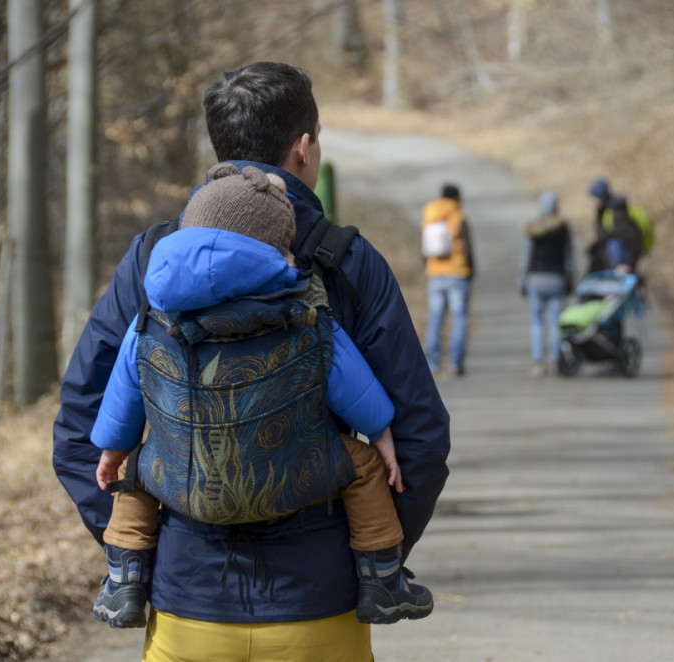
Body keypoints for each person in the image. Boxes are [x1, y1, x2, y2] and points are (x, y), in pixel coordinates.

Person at [53, 61, 450, 662]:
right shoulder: (346, 261)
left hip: (187, 606)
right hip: (320, 608)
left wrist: (143, 552)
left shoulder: (153, 260)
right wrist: (366, 555)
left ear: (220, 147)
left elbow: (82, 426)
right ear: (304, 146)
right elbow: (419, 433)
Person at [88, 162, 432, 630]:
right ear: (276, 247)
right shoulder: (304, 312)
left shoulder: (151, 319)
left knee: (135, 476)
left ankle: (123, 580)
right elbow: (351, 384)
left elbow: (124, 391)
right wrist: (382, 433)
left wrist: (113, 450)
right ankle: (383, 580)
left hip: (186, 477)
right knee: (364, 467)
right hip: (294, 472)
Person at [420, 183, 474, 377]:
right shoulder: (458, 216)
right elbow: (467, 247)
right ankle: (455, 362)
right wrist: (470, 271)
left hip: (435, 274)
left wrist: (428, 268)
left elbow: (423, 246)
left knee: (435, 319)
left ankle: (432, 362)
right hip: (458, 273)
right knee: (459, 318)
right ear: (457, 198)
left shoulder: (429, 215)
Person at [518, 191, 573, 378]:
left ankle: (538, 362)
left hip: (535, 280)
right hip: (557, 281)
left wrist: (522, 279)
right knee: (555, 322)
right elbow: (568, 257)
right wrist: (569, 279)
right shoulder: (564, 228)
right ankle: (555, 361)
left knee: (536, 322)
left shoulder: (533, 228)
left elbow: (526, 257)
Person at [587, 177, 642, 274]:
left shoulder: (617, 213)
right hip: (611, 266)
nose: (591, 201)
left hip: (621, 267)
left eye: (593, 198)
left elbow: (633, 238)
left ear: (600, 197)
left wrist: (629, 264)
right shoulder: (604, 212)